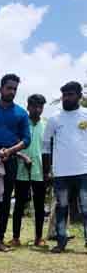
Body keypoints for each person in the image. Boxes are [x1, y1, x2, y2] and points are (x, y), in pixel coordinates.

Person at [0, 73, 30, 252]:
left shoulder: (21, 113)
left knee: (4, 201)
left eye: (15, 89)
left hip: (8, 161)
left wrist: (9, 151)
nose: (12, 91)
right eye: (9, 88)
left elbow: (26, 140)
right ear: (1, 88)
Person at [43, 81, 87, 253]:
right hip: (61, 172)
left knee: (86, 208)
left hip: (84, 170)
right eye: (64, 95)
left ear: (79, 96)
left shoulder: (85, 114)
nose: (66, 98)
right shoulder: (55, 118)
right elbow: (46, 145)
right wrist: (48, 170)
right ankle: (60, 241)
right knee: (61, 207)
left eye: (70, 94)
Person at [11, 94, 48, 247]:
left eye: (40, 107)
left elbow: (48, 149)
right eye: (34, 106)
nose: (37, 109)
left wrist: (48, 170)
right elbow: (13, 145)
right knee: (19, 205)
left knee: (39, 206)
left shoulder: (46, 125)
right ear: (28, 107)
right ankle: (15, 237)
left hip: (39, 172)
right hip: (21, 170)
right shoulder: (21, 123)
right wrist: (22, 156)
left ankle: (38, 237)